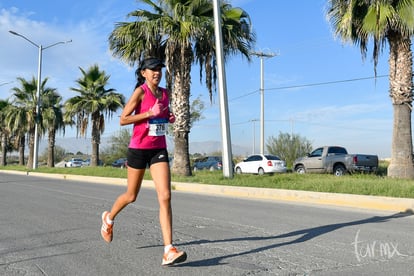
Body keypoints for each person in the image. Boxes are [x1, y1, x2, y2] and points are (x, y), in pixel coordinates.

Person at [100, 57, 187, 266]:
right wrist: (149, 112)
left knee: (165, 196)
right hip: (138, 149)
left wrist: (169, 117)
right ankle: (108, 218)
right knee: (131, 195)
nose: (157, 72)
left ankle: (168, 249)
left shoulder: (165, 93)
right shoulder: (140, 92)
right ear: (143, 73)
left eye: (159, 69)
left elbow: (162, 115)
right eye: (153, 69)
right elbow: (123, 119)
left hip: (158, 149)